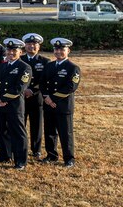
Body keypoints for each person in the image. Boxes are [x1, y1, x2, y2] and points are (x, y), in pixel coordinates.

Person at [0, 38, 32, 169]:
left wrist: (2, 99)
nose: (10, 53)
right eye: (9, 50)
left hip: (14, 106)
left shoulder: (24, 67)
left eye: (14, 50)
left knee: (18, 133)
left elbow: (19, 88)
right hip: (1, 104)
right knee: (3, 131)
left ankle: (21, 160)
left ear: (20, 52)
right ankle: (4, 156)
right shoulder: (3, 65)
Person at [42, 37, 81, 167]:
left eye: (62, 49)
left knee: (66, 133)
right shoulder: (49, 66)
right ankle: (51, 155)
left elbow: (71, 87)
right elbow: (43, 83)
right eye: (56, 49)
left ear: (68, 50)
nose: (58, 52)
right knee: (49, 132)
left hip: (63, 106)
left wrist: (52, 99)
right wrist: (46, 97)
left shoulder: (73, 68)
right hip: (48, 105)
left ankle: (69, 158)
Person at [20, 33, 49, 160]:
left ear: (39, 46)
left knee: (36, 125)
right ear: (24, 46)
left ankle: (36, 149)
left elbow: (45, 80)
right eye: (29, 44)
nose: (31, 46)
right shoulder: (19, 59)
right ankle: (20, 147)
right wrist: (24, 90)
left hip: (37, 98)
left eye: (34, 44)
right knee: (21, 124)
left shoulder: (45, 61)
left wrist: (32, 90)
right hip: (21, 98)